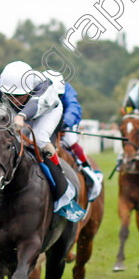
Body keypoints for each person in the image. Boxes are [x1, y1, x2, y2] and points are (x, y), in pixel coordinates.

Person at [0, 61, 85, 221]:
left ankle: (64, 195)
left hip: (48, 111)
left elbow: (36, 104)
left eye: (19, 96)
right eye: (10, 96)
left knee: (40, 139)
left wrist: (20, 117)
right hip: (20, 115)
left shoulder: (42, 85)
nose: (15, 100)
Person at [42, 70, 103, 201]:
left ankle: (87, 168)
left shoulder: (67, 90)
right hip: (44, 121)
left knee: (70, 141)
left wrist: (64, 123)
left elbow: (74, 108)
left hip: (65, 120)